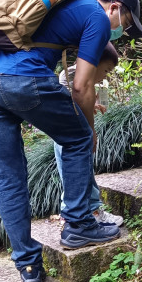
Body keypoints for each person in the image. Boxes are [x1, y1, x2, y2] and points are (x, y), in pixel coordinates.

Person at [0, 0, 142, 282]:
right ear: (115, 8)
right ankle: (79, 223)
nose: (123, 31)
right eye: (126, 24)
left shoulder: (65, 3)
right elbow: (81, 86)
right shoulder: (98, 17)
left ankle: (27, 265)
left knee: (6, 174)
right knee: (77, 138)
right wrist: (87, 127)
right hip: (22, 79)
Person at [54, 41, 124, 228]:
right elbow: (71, 102)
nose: (105, 77)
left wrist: (90, 105)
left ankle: (74, 212)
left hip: (66, 134)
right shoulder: (71, 76)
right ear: (94, 62)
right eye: (106, 70)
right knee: (78, 174)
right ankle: (90, 211)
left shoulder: (81, 79)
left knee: (75, 174)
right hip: (69, 135)